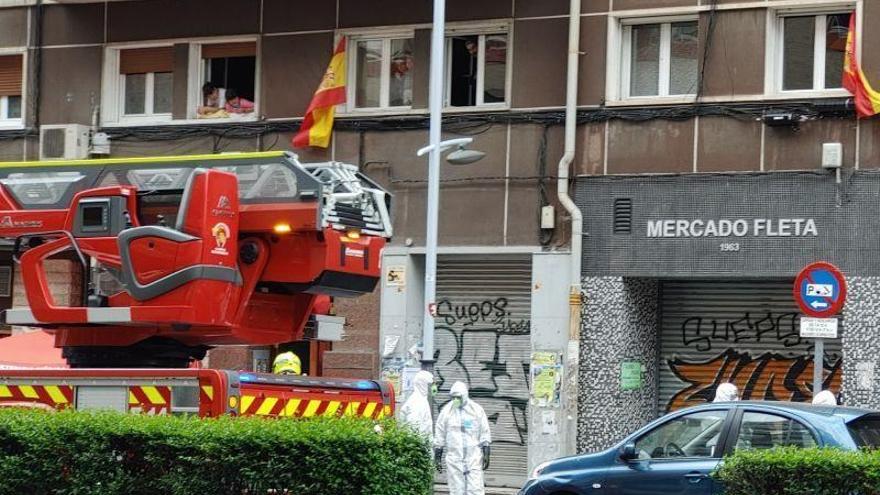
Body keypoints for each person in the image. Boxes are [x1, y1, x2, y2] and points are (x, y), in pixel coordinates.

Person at [434, 381, 491, 495]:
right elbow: (439, 434)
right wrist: (437, 457)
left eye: (458, 397)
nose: (455, 400)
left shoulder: (476, 410)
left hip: (473, 458)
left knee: (475, 490)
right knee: (456, 490)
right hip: (454, 459)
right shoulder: (446, 412)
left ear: (464, 395)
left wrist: (486, 453)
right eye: (453, 397)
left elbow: (484, 431)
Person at [399, 370, 434, 443]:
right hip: (419, 447)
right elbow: (413, 428)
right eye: (431, 385)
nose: (434, 388)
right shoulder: (417, 402)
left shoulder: (422, 400)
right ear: (423, 384)